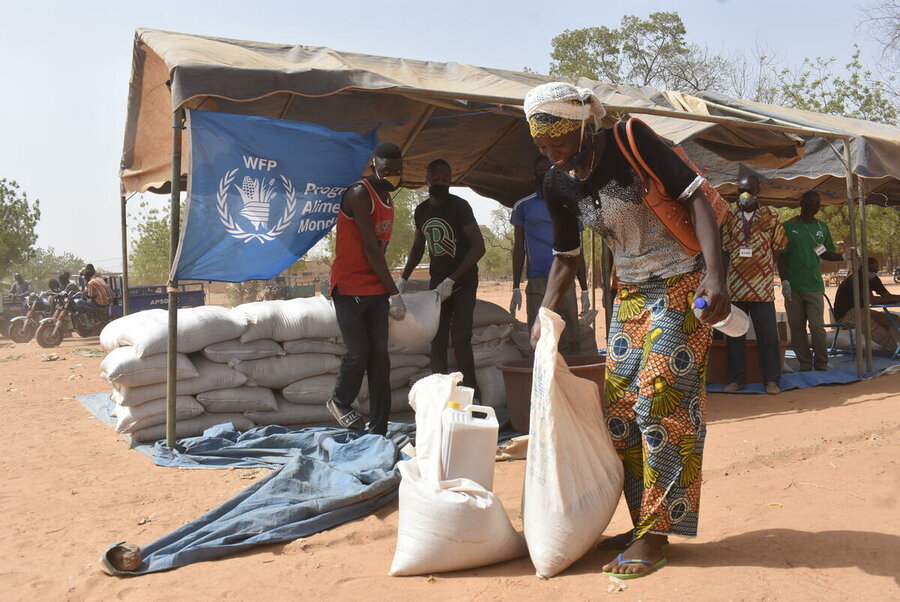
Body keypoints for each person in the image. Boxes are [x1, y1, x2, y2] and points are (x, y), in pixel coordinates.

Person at [524, 82, 730, 579]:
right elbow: (566, 257)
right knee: (617, 411)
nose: (550, 150)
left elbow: (696, 196)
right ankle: (645, 523)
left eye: (556, 138)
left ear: (579, 124)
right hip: (631, 294)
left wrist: (714, 274)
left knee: (659, 397)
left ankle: (658, 534)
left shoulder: (630, 139)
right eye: (541, 142)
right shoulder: (558, 182)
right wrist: (546, 313)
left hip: (682, 283)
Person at [327, 141, 406, 435]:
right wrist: (395, 291)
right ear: (374, 166)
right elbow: (372, 250)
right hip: (350, 286)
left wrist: (386, 290)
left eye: (398, 170)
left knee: (380, 359)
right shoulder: (360, 194)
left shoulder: (388, 198)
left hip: (376, 289)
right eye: (387, 170)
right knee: (358, 351)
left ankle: (380, 425)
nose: (393, 175)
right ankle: (340, 400)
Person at [398, 159, 485, 397]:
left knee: (460, 336)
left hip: (464, 281)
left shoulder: (460, 207)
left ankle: (472, 392)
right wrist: (403, 278)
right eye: (435, 179)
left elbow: (478, 247)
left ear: (451, 180)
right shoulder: (422, 211)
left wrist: (453, 280)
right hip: (437, 283)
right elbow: (418, 247)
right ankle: (440, 392)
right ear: (427, 180)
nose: (440, 183)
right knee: (436, 337)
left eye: (445, 179)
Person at [510, 155, 591, 355]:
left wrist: (584, 289)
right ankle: (543, 384)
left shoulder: (570, 205)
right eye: (540, 172)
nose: (543, 176)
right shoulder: (523, 206)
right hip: (537, 280)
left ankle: (569, 383)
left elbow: (577, 249)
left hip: (566, 278)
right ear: (534, 175)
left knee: (570, 337)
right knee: (540, 338)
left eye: (547, 171)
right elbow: (519, 248)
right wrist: (515, 287)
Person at [719, 175, 788, 395]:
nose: (744, 194)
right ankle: (735, 379)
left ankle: (772, 381)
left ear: (758, 190)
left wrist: (767, 267)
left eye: (747, 190)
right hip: (736, 285)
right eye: (740, 190)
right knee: (735, 335)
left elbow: (778, 246)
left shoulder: (771, 215)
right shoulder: (729, 215)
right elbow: (725, 248)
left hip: (762, 286)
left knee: (767, 336)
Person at [777, 191, 844, 371]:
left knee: (817, 327)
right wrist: (785, 282)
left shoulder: (822, 227)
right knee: (797, 329)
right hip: (794, 287)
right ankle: (805, 364)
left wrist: (844, 256)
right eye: (811, 203)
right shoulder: (788, 226)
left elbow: (825, 252)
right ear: (802, 203)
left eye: (818, 204)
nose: (815, 207)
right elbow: (781, 257)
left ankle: (821, 363)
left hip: (814, 285)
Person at [833, 256, 900, 351]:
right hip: (846, 313)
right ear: (862, 267)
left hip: (861, 310)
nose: (873, 271)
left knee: (893, 319)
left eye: (875, 269)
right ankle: (894, 348)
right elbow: (870, 300)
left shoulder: (874, 278)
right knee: (874, 328)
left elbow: (886, 295)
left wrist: (896, 298)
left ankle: (898, 346)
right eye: (871, 269)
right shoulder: (856, 279)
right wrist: (894, 299)